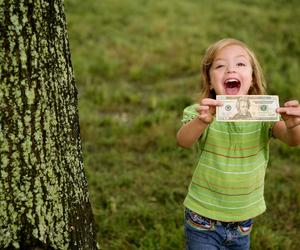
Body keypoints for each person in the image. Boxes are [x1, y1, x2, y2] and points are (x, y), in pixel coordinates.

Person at [176, 38, 300, 250]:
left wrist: (293, 125)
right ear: (209, 81)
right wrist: (201, 121)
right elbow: (183, 141)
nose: (230, 70)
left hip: (243, 221)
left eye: (240, 64)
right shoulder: (202, 112)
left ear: (252, 79)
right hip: (203, 219)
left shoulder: (265, 116)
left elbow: (293, 141)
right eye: (220, 66)